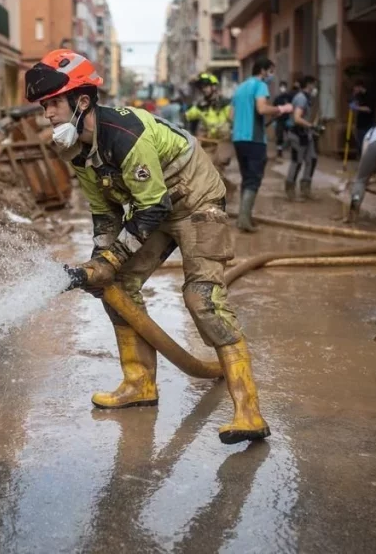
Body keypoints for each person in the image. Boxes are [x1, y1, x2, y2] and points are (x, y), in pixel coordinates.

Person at [25, 50, 270, 444]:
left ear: (81, 101)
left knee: (202, 297)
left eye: (53, 103)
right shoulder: (75, 148)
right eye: (44, 106)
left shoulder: (124, 134)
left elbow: (154, 206)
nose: (47, 113)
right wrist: (101, 262)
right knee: (115, 287)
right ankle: (139, 383)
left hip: (195, 200)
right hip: (154, 205)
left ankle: (248, 410)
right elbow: (105, 214)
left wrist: (111, 257)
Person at [230, 58, 288, 232]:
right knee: (253, 180)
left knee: (246, 178)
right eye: (271, 71)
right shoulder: (260, 85)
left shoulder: (240, 88)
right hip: (254, 139)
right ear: (263, 71)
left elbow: (230, 115)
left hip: (238, 139)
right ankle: (244, 220)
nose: (272, 75)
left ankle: (244, 217)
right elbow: (262, 109)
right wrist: (280, 109)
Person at [184, 73, 233, 185]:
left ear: (213, 87)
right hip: (209, 142)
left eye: (206, 86)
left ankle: (221, 191)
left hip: (223, 141)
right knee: (203, 167)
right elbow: (187, 115)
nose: (203, 89)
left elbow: (232, 119)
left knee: (218, 166)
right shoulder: (201, 106)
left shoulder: (224, 103)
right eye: (202, 87)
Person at [284, 75, 322, 201]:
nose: (315, 88)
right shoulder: (301, 99)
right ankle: (290, 190)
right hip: (297, 136)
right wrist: (311, 126)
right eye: (314, 85)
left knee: (312, 159)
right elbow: (297, 118)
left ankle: (306, 188)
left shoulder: (308, 98)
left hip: (306, 135)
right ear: (309, 85)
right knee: (297, 162)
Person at [272, 81, 295, 158]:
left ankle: (292, 151)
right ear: (279, 87)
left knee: (291, 136)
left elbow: (293, 107)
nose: (282, 88)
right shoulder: (277, 98)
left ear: (286, 87)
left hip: (288, 119)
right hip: (279, 120)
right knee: (279, 136)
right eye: (281, 86)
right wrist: (274, 118)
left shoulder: (289, 97)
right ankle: (279, 151)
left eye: (284, 86)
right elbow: (273, 108)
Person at [349, 80, 374, 149]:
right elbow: (354, 102)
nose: (354, 89)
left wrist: (356, 108)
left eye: (355, 88)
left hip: (367, 124)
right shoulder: (359, 96)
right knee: (359, 143)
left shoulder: (369, 95)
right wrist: (353, 96)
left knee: (365, 144)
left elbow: (368, 109)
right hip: (360, 124)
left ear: (359, 87)